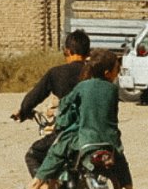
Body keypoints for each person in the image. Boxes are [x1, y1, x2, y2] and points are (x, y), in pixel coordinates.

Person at [32, 48, 145, 189]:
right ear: (108, 73)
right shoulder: (113, 90)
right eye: (117, 70)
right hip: (110, 142)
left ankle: (40, 185)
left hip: (85, 140)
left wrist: (59, 113)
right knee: (121, 163)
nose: (118, 74)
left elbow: (66, 106)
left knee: (57, 152)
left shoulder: (82, 87)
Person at [15, 29, 93, 180]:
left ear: (67, 51)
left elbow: (33, 97)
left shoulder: (56, 73)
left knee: (33, 155)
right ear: (88, 52)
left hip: (68, 131)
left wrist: (24, 111)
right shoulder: (95, 72)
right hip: (95, 131)